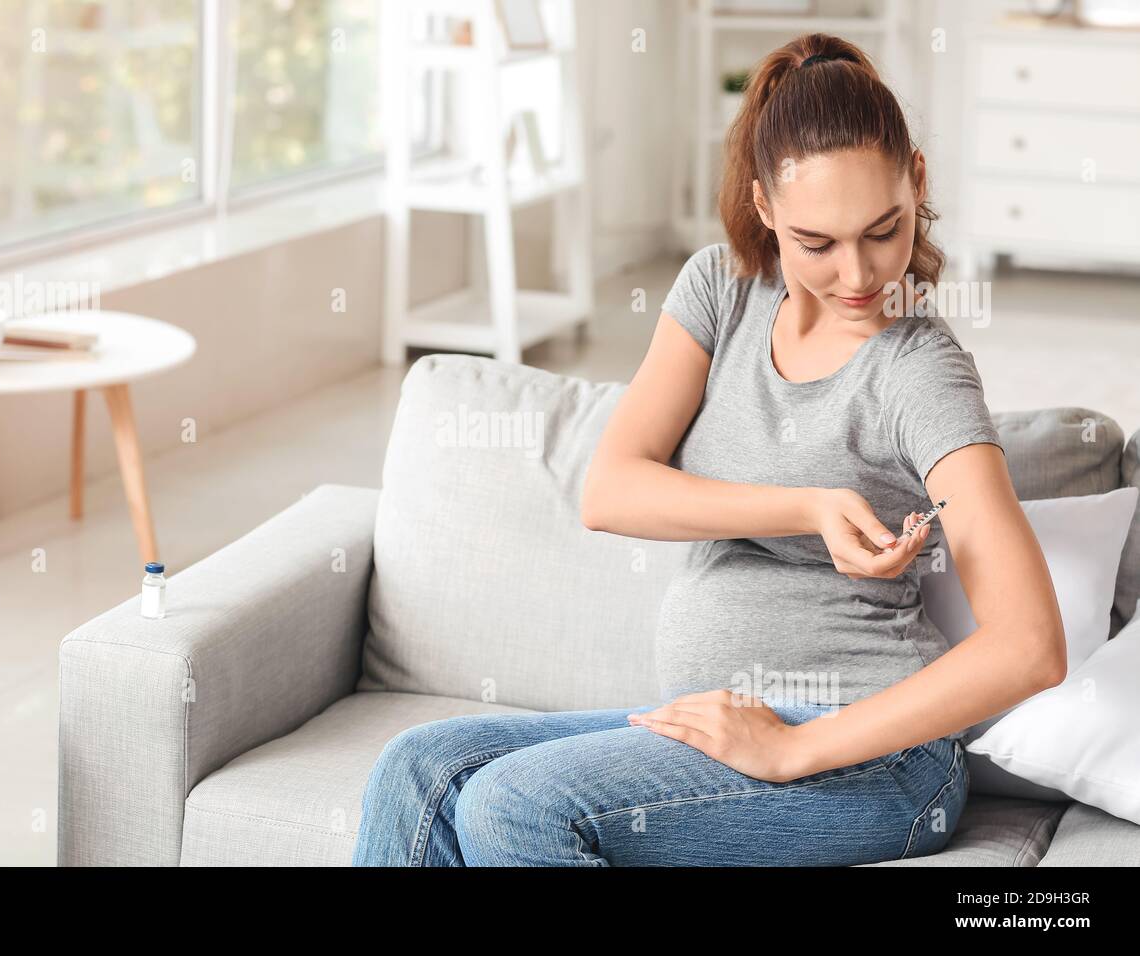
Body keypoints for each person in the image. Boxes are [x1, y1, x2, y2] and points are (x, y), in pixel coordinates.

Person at [350, 32, 1067, 867]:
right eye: (816, 243)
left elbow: (1030, 643)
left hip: (880, 765)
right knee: (418, 771)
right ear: (764, 208)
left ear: (918, 181)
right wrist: (806, 506)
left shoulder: (920, 372)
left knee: (515, 808)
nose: (859, 273)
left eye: (884, 229)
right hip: (720, 718)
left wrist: (795, 750)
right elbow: (609, 490)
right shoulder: (719, 293)